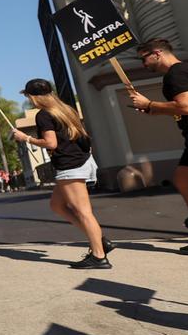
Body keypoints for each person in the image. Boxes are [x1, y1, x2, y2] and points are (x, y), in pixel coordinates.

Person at [12, 78, 114, 268]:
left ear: (32, 96)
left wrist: (25, 138)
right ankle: (101, 241)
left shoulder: (43, 115)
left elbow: (51, 143)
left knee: (83, 212)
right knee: (57, 205)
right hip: (80, 160)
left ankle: (99, 256)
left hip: (70, 165)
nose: (28, 99)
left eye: (27, 96)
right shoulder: (65, 110)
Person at [128, 38, 188, 254]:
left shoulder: (175, 74)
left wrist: (149, 104)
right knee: (184, 180)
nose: (143, 64)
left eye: (144, 58)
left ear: (157, 53)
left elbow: (187, 106)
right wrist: (152, 109)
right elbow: (185, 108)